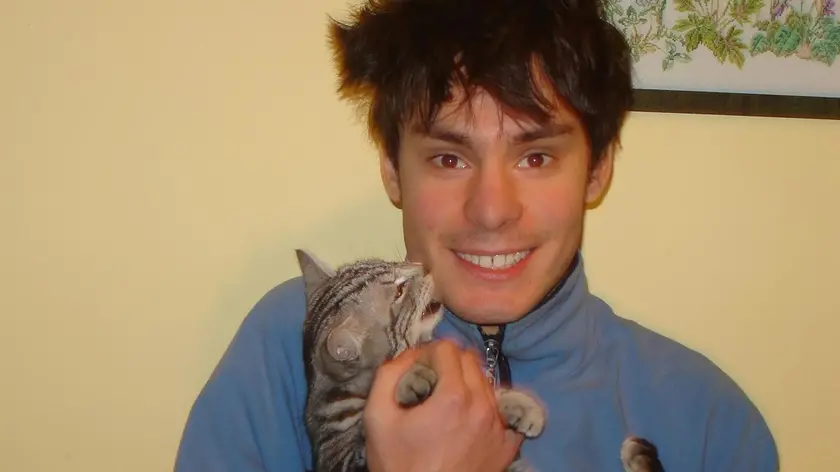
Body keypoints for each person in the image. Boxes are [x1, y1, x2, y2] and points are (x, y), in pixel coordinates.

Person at [174, 0, 779, 470]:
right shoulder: (299, 346)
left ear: (597, 169)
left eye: (536, 157)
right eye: (449, 158)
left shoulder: (710, 425)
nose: (491, 210)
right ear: (393, 170)